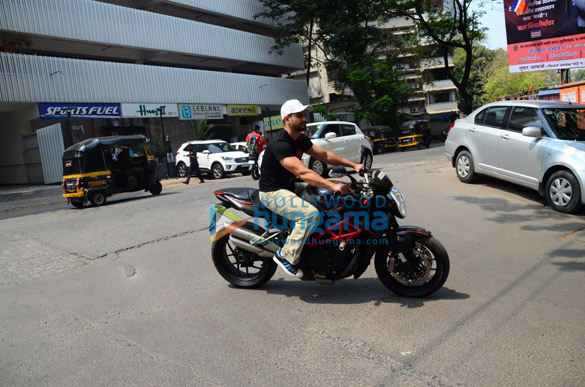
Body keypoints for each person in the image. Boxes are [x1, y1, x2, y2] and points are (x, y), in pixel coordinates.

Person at [259, 99, 363, 278]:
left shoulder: (299, 139)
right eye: (299, 115)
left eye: (304, 115)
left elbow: (325, 155)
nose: (304, 119)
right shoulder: (280, 144)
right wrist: (333, 184)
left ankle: (318, 245)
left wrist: (353, 165)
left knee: (329, 199)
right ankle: (286, 256)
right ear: (287, 119)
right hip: (273, 192)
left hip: (291, 187)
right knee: (309, 215)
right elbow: (302, 172)